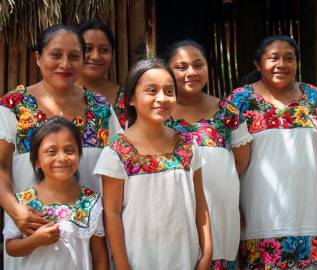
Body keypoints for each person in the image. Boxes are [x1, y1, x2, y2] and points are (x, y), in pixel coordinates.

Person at [0, 24, 121, 268]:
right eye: (56, 54)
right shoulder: (13, 105)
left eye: (74, 56)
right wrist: (16, 211)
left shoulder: (100, 108)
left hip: (88, 244)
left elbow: (117, 168)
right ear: (38, 57)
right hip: (31, 237)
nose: (65, 64)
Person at [228, 35, 317, 270]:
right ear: (258, 64)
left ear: (297, 63)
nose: (282, 64)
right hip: (258, 215)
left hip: (306, 214)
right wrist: (230, 203)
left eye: (289, 58)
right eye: (273, 58)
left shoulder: (315, 98)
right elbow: (229, 157)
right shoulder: (239, 101)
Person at [94, 58, 212, 270]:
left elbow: (201, 205)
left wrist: (206, 254)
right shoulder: (117, 151)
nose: (162, 98)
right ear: (131, 99)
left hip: (186, 259)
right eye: (151, 90)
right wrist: (122, 266)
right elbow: (111, 214)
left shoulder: (187, 145)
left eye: (169, 91)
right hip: (138, 261)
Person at [164, 39, 252, 270]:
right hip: (172, 210)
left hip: (219, 212)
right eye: (181, 67)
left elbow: (240, 161)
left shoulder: (227, 111)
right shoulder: (157, 112)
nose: (191, 72)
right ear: (167, 71)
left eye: (198, 65)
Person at [3, 117, 108, 270]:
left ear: (79, 155)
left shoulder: (91, 202)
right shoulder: (23, 203)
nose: (62, 157)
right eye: (51, 151)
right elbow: (11, 248)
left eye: (69, 150)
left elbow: (99, 257)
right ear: (37, 161)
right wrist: (35, 241)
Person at [76, 19, 126, 129]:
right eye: (88, 48)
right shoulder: (62, 93)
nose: (95, 56)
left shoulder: (126, 97)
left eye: (104, 50)